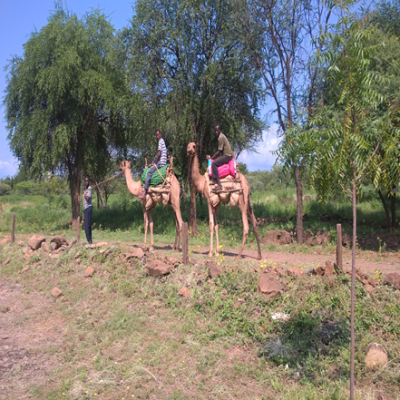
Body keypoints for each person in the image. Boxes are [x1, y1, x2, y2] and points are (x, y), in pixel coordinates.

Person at [138, 130, 167, 199]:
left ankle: (145, 192)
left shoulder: (160, 141)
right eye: (156, 135)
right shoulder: (162, 141)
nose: (157, 136)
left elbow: (159, 153)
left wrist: (155, 163)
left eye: (158, 135)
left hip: (161, 162)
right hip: (163, 161)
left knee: (149, 172)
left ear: (161, 134)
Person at [207, 124, 233, 192]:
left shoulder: (221, 137)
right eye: (215, 130)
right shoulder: (221, 137)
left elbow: (219, 151)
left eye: (217, 130)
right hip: (226, 156)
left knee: (214, 163)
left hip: (227, 156)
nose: (216, 132)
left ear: (220, 130)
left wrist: (211, 158)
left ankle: (219, 184)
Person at [83, 176, 92, 244]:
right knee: (86, 225)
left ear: (89, 181)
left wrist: (84, 195)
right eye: (85, 181)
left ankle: (90, 241)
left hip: (88, 208)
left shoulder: (89, 188)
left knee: (87, 225)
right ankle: (89, 240)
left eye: (87, 181)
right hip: (86, 209)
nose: (86, 182)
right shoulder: (86, 189)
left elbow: (88, 199)